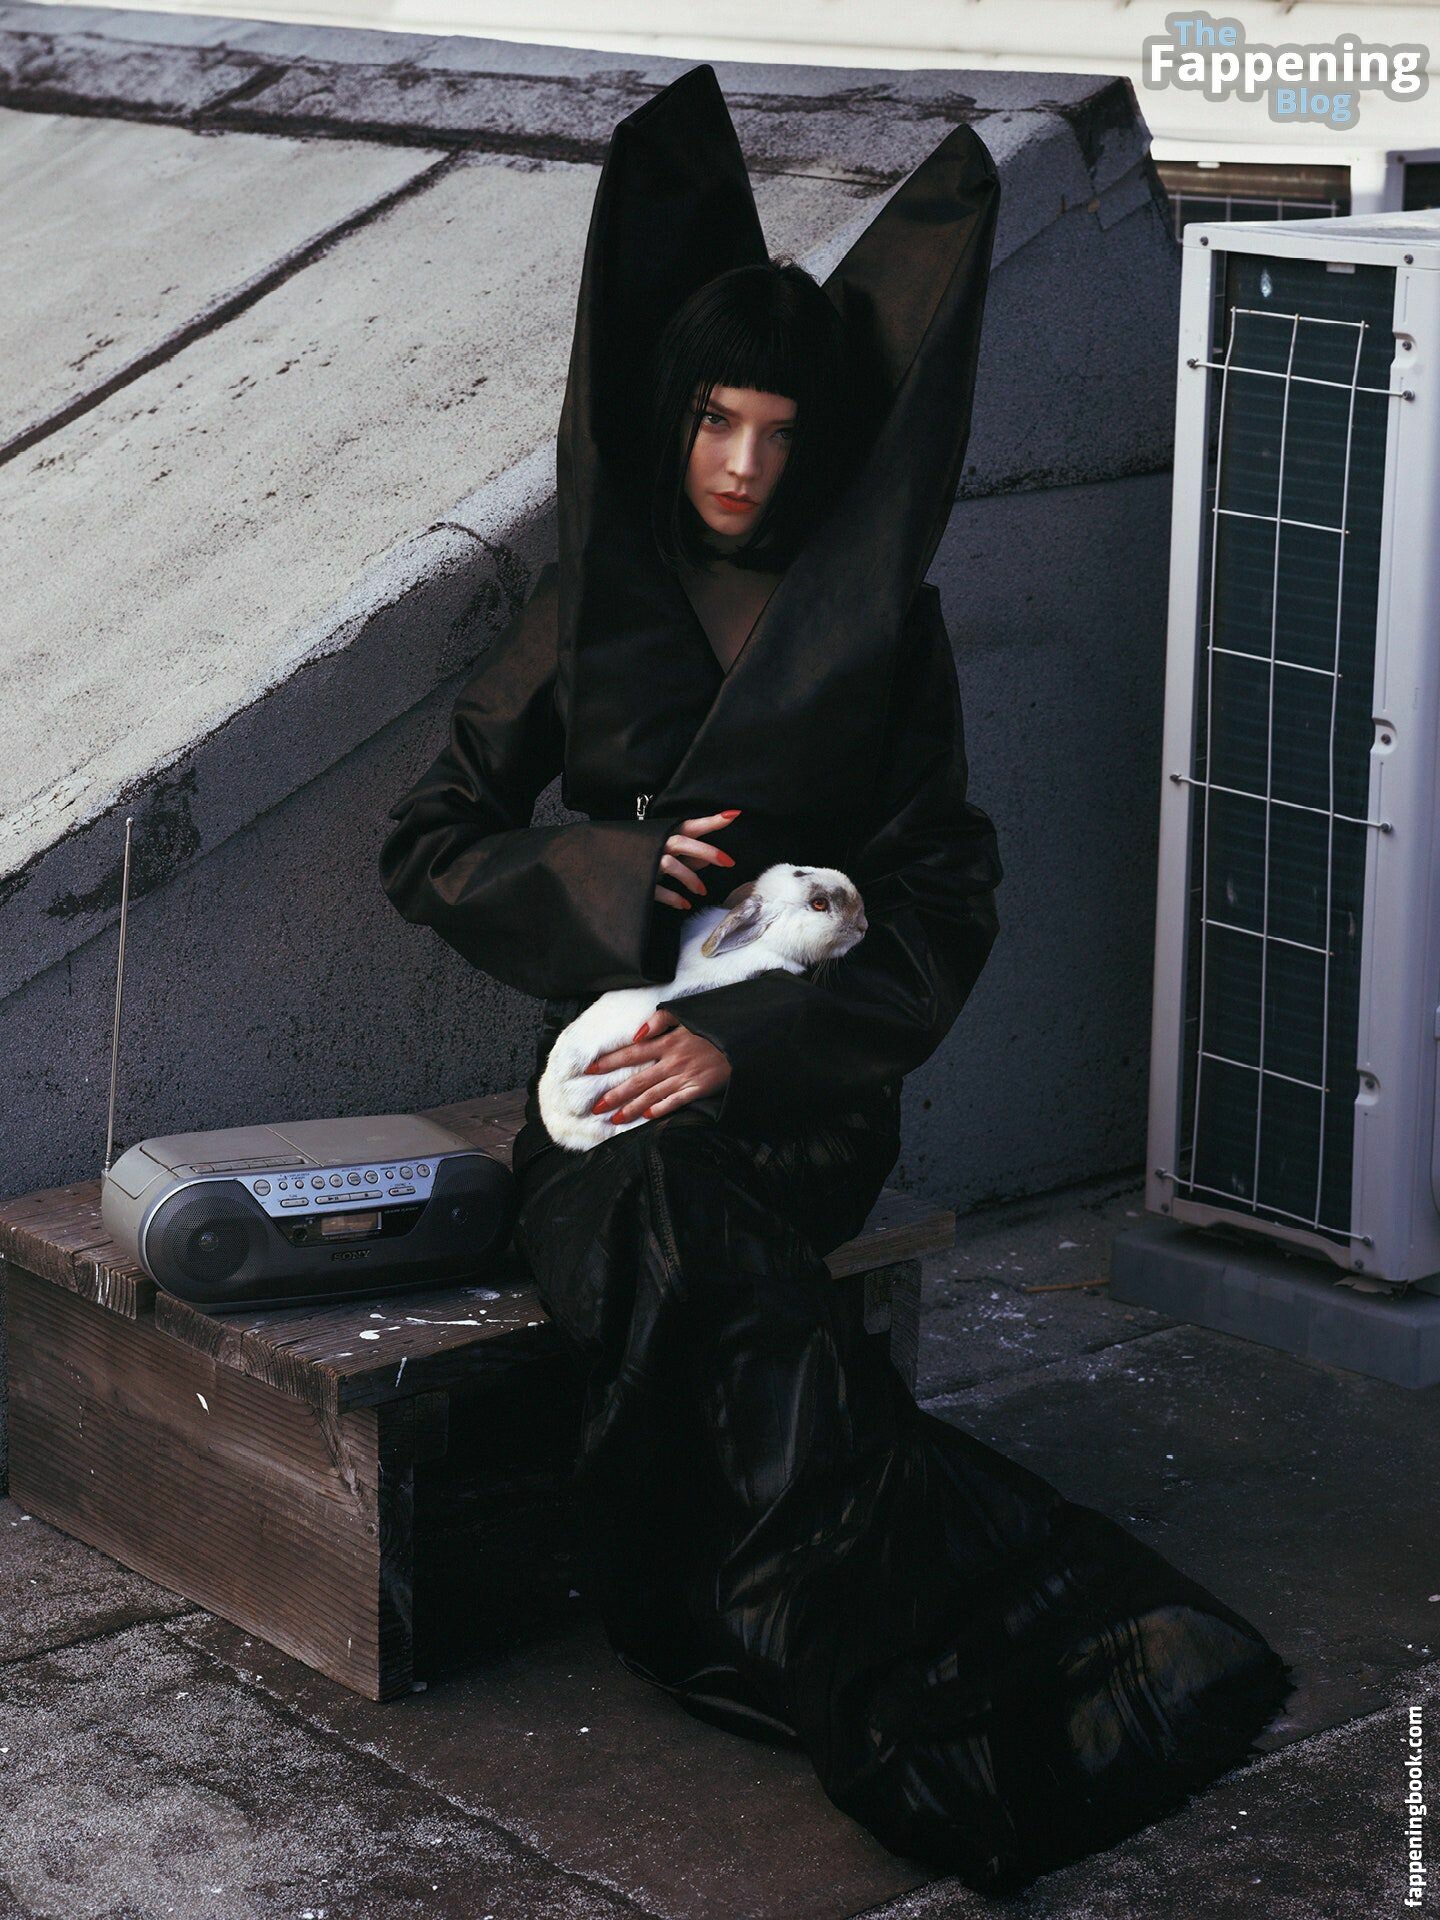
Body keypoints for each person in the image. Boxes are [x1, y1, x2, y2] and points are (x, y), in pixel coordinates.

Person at [378, 64, 1294, 1895]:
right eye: (716, 420)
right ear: (670, 418)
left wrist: (756, 1047)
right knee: (651, 1211)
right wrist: (609, 874)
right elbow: (429, 838)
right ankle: (924, 1634)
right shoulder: (589, 604)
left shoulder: (885, 628)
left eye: (781, 432)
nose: (743, 466)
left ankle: (775, 1628)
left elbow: (947, 893)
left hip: (797, 1096)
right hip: (603, 1076)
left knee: (689, 1224)